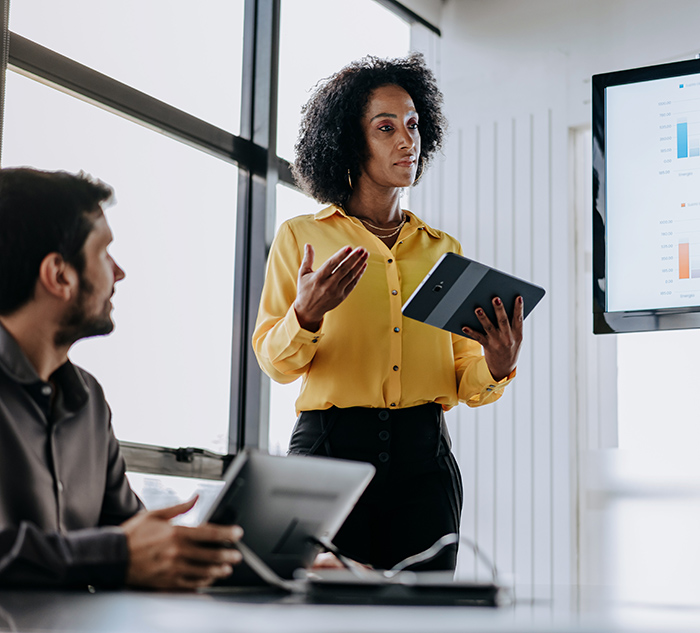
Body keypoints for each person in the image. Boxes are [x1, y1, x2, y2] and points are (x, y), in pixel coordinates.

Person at [253, 54, 523, 572]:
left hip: (425, 464)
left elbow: (468, 381)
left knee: (423, 618)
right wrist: (305, 316)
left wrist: (497, 361)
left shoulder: (441, 249)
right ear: (350, 142)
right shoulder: (301, 238)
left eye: (414, 125)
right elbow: (276, 362)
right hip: (329, 455)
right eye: (386, 127)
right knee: (326, 613)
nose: (407, 140)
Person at [0, 167, 243, 590]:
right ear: (60, 275)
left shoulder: (88, 400)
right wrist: (114, 555)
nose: (120, 272)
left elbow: (135, 537)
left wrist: (262, 564)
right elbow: (122, 551)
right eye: (104, 253)